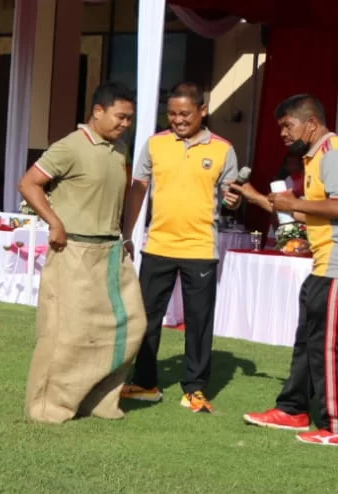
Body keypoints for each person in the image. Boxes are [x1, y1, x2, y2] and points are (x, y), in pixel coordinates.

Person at [18, 82, 142, 424]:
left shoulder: (119, 149)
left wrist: (126, 235)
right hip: (73, 248)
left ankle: (99, 400)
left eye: (130, 119)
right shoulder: (69, 146)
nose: (125, 124)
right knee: (64, 332)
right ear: (98, 111)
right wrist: (54, 222)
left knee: (130, 325)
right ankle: (47, 407)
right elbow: (29, 183)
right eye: (120, 117)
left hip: (111, 249)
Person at [120, 83, 240, 414]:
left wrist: (234, 199)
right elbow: (138, 189)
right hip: (157, 245)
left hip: (201, 249)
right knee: (145, 318)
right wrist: (127, 233)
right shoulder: (155, 144)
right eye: (172, 113)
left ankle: (195, 389)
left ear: (203, 110)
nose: (178, 120)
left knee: (199, 322)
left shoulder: (223, 149)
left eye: (185, 113)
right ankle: (145, 383)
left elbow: (232, 195)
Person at [231, 94, 338, 445]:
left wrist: (293, 202)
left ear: (311, 122)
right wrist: (259, 198)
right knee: (307, 342)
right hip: (320, 264)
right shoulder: (312, 158)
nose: (282, 134)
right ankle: (293, 409)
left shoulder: (332, 151)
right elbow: (308, 213)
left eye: (287, 125)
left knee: (325, 348)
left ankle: (332, 425)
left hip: (334, 266)